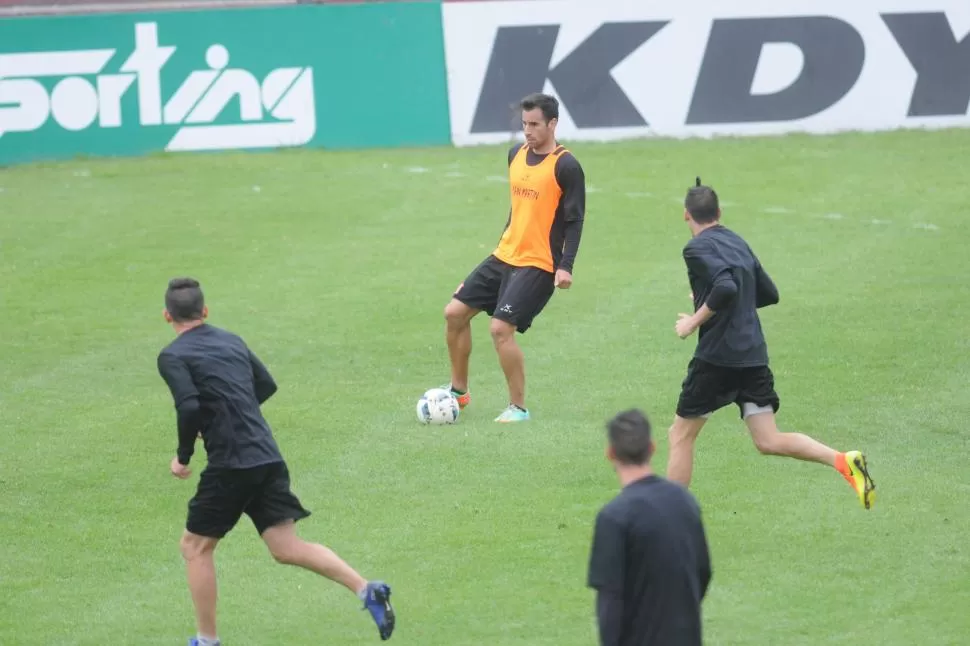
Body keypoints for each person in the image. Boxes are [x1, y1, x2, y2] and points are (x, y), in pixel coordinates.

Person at [156, 278, 396, 646]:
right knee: (285, 547)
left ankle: (207, 641)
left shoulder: (173, 355)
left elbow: (188, 405)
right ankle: (367, 590)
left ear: (166, 316)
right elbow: (264, 384)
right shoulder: (230, 340)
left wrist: (184, 454)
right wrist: (234, 414)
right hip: (265, 453)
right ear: (205, 312)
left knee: (195, 547)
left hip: (232, 463)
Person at [668, 178, 876, 509]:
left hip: (717, 359)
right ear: (719, 212)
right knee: (768, 440)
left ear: (686, 215)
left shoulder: (695, 248)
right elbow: (767, 293)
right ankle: (843, 462)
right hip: (753, 356)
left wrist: (693, 321)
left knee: (680, 435)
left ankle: (671, 516)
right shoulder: (738, 241)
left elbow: (725, 288)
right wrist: (713, 298)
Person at [442, 92, 586, 422]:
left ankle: (518, 407)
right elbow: (518, 209)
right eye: (524, 124)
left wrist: (566, 266)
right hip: (505, 254)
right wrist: (502, 245)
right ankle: (458, 392)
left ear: (552, 123)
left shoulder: (566, 165)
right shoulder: (514, 155)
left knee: (499, 329)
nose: (528, 131)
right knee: (454, 313)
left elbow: (575, 219)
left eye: (535, 124)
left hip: (538, 262)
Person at [588, 409, 712, 646]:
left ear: (610, 453)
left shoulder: (614, 517)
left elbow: (610, 602)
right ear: (652, 448)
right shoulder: (685, 502)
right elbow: (702, 572)